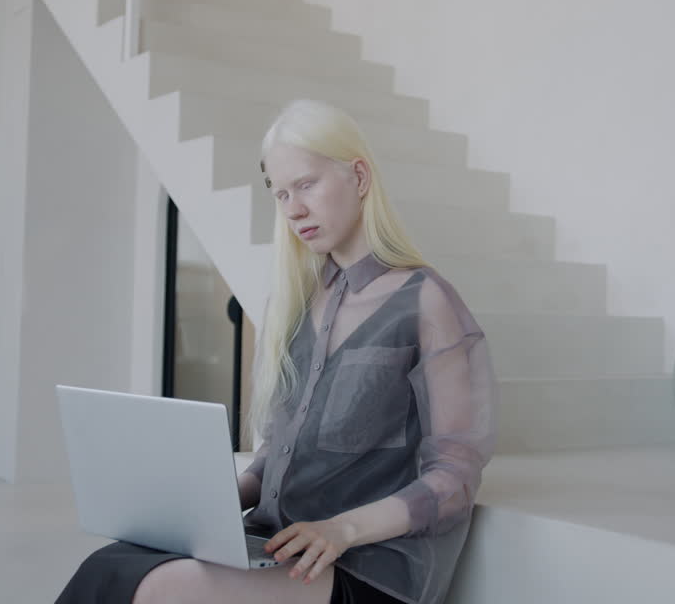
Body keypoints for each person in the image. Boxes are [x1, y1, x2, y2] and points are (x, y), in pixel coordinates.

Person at [55, 99, 496, 604]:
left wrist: (342, 530)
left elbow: (454, 478)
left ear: (359, 177)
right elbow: (278, 455)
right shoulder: (297, 302)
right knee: (111, 563)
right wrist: (200, 503)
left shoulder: (425, 299)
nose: (294, 209)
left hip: (365, 566)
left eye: (306, 185)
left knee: (159, 588)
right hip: (280, 543)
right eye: (282, 194)